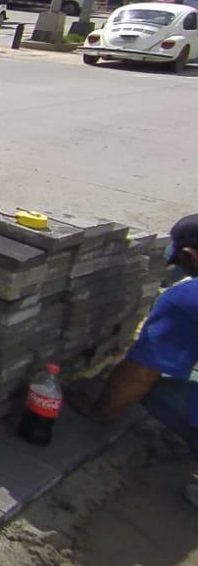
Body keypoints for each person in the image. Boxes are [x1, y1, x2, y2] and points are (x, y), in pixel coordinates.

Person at [77, 214, 198, 507]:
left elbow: (140, 376)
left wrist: (98, 410)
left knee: (155, 388)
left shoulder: (185, 298)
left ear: (189, 255)